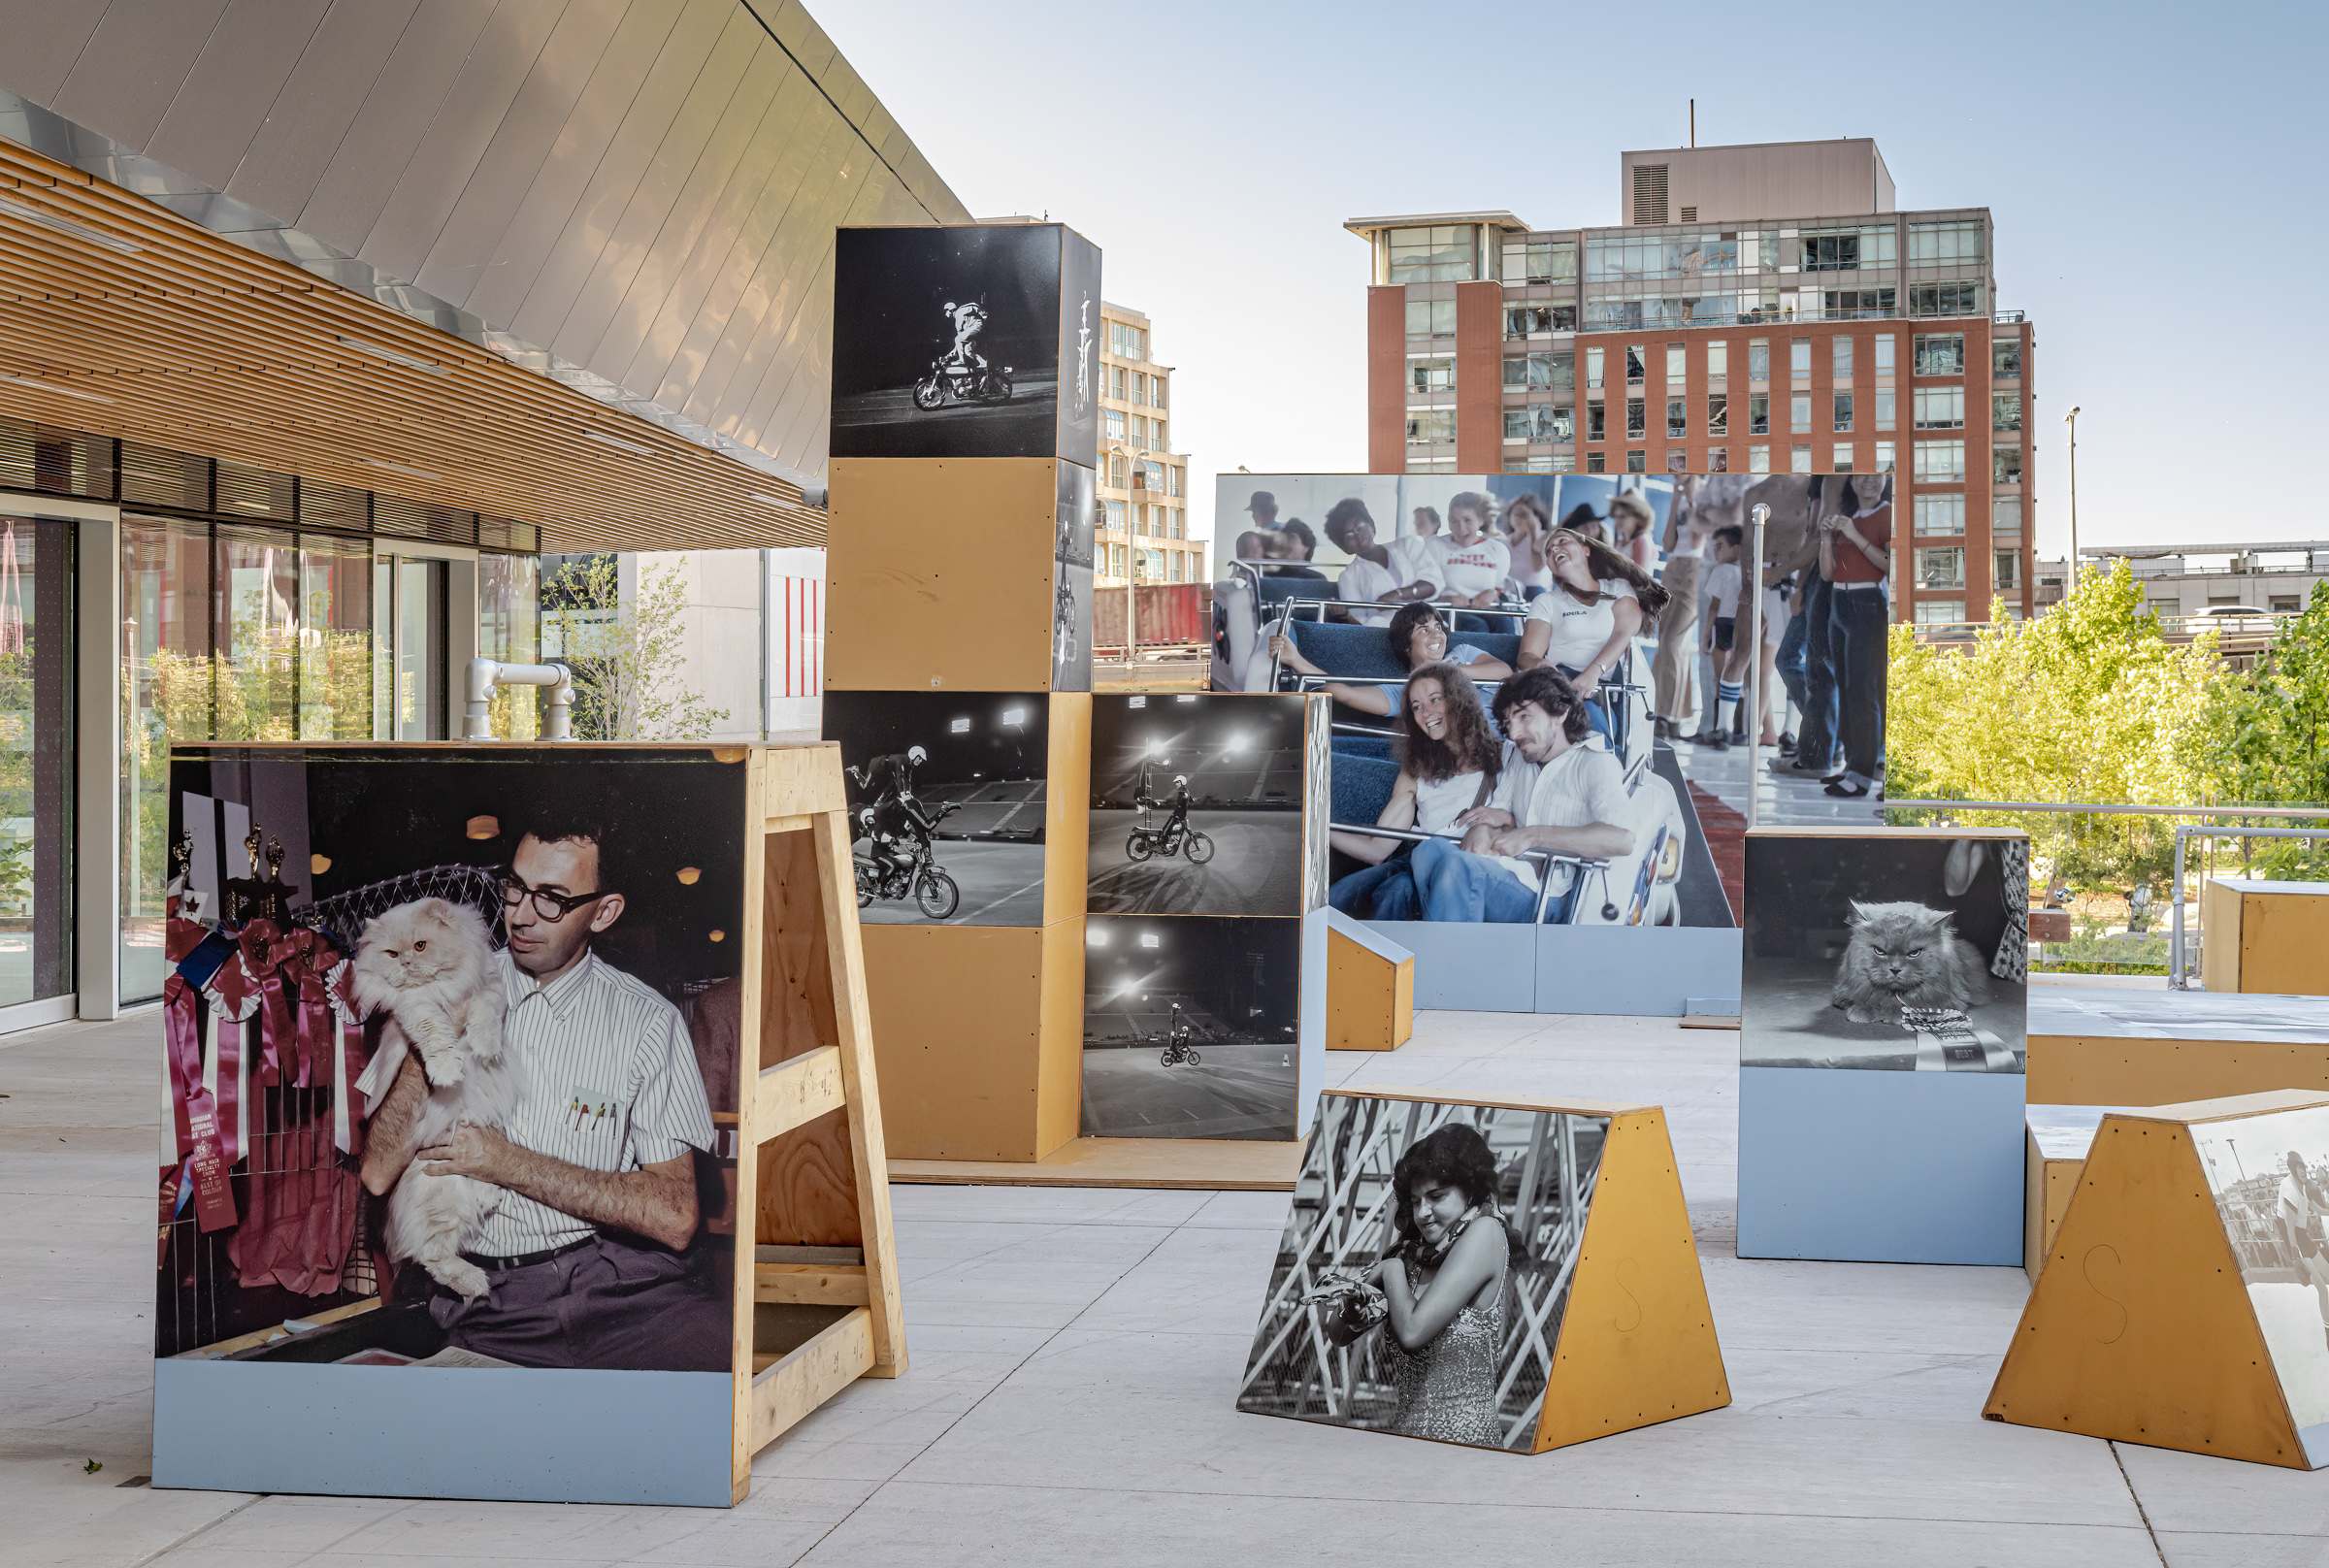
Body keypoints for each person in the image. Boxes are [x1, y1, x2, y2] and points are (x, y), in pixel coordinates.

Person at [358, 808, 726, 1371]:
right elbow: (378, 1171)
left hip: (622, 1292)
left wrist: (505, 1162)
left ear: (604, 912)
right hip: (493, 1304)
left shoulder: (648, 1022)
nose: (522, 916)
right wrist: (427, 1037)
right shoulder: (452, 977)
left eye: (551, 898)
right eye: (515, 888)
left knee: (727, 1370)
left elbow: (675, 1217)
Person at [1311, 1123, 1523, 1446]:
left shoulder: (1486, 1233)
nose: (1423, 1212)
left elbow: (1411, 1333)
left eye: (1436, 1196)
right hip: (1406, 1443)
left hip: (1465, 1450)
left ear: (1469, 1191)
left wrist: (1390, 1269)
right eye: (1415, 1200)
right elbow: (1338, 1336)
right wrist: (1353, 1306)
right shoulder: (1414, 1255)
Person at [1406, 667, 1634, 923]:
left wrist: (1531, 835)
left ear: (1560, 713)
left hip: (1550, 896)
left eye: (1524, 717)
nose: (1514, 733)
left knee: (1457, 867)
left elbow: (1621, 839)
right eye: (1509, 722)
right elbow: (1497, 813)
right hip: (1512, 870)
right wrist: (1481, 830)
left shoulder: (1594, 764)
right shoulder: (1520, 758)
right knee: (1428, 851)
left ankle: (1451, 954)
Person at [1329, 664, 1501, 921]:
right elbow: (1377, 850)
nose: (1426, 713)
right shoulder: (1416, 770)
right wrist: (1318, 827)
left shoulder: (1501, 757)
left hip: (1462, 867)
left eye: (1435, 699)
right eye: (1417, 706)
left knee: (1395, 894)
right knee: (1340, 896)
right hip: (1415, 861)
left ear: (1458, 699)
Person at [1515, 527, 1668, 743]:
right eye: (1549, 550)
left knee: (1593, 725)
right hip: (1557, 680)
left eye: (1562, 541)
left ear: (1586, 550)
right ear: (1550, 566)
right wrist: (1541, 666)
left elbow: (1625, 632)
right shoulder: (1547, 601)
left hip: (1599, 687)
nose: (1554, 548)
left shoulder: (1618, 589)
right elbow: (1528, 654)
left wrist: (1594, 671)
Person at [1270, 602, 1513, 719]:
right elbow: (1346, 693)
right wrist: (1296, 660)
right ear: (1407, 647)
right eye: (1424, 630)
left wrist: (1447, 672)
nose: (1437, 634)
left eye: (1438, 627)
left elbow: (1504, 671)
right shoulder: (1405, 691)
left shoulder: (1464, 652)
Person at [1821, 474, 1891, 799]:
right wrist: (1826, 538)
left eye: (1875, 476)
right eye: (1861, 476)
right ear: (1850, 482)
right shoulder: (1850, 518)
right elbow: (1826, 572)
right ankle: (1852, 769)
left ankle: (1862, 777)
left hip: (1867, 604)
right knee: (1847, 691)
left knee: (1864, 693)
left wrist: (1853, 535)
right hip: (1840, 602)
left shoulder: (1887, 514)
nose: (1869, 482)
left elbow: (1890, 564)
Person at [1326, 498, 1438, 627]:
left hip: (1430, 624)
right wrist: (1344, 615)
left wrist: (1399, 594)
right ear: (1343, 546)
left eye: (1359, 527)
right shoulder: (1348, 576)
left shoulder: (1408, 545)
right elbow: (1359, 621)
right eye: (1349, 535)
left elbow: (1433, 583)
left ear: (1371, 525)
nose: (1357, 535)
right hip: (1387, 631)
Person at [1691, 526, 1748, 748]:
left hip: (1723, 625)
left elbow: (1714, 606)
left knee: (1720, 679)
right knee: (1737, 678)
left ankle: (1719, 731)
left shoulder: (1720, 571)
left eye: (1720, 547)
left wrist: (1706, 634)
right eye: (1714, 548)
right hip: (1741, 625)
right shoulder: (1746, 571)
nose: (1716, 552)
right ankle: (1738, 732)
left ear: (1737, 548)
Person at [848, 746, 936, 879]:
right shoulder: (902, 760)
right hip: (877, 765)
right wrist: (903, 793)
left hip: (888, 775)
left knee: (891, 788)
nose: (920, 761)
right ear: (913, 755)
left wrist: (908, 794)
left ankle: (878, 804)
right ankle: (855, 771)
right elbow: (901, 776)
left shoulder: (909, 765)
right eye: (919, 758)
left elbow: (907, 779)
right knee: (865, 785)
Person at [2278, 1151, 2329, 1351]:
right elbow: (2289, 1227)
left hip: (2302, 1233)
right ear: (2292, 1170)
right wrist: (2294, 1256)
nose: (2303, 1172)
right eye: (2299, 1169)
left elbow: (2319, 1209)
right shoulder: (2290, 1191)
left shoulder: (2306, 1186)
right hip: (2291, 1236)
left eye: (2304, 1168)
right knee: (2322, 1289)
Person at [1431, 492, 1512, 611]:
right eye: (1454, 521)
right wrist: (1446, 598)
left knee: (1505, 624)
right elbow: (1426, 585)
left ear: (1480, 520)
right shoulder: (1435, 545)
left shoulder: (1497, 549)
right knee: (1477, 626)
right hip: (1450, 610)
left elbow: (1499, 586)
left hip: (1487, 609)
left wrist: (1494, 594)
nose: (1461, 528)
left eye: (1467, 520)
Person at [1503, 493, 1557, 598]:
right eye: (1516, 513)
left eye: (1524, 515)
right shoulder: (1505, 541)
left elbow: (1537, 567)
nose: (1519, 519)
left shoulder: (1543, 537)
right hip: (1510, 590)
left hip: (1534, 590)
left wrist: (1533, 534)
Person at [1137, 771, 1192, 845]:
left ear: (1181, 782)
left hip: (1178, 815)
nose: (1176, 784)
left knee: (1167, 829)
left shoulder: (1182, 791)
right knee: (1166, 829)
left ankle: (1164, 842)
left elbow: (1184, 800)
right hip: (1178, 815)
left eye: (1177, 782)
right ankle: (1162, 843)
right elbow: (1189, 799)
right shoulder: (1185, 791)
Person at [1610, 491, 1658, 572]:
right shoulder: (1619, 542)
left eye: (1622, 516)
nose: (1618, 521)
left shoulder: (1642, 540)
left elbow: (1639, 578)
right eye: (1616, 516)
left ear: (1637, 517)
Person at [939, 300, 988, 374]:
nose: (946, 313)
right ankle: (983, 363)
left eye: (946, 311)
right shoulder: (958, 315)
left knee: (958, 339)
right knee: (968, 351)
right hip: (974, 328)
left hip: (976, 326)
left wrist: (982, 314)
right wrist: (950, 354)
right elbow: (960, 342)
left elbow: (958, 339)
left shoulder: (959, 313)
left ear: (951, 310)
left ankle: (961, 360)